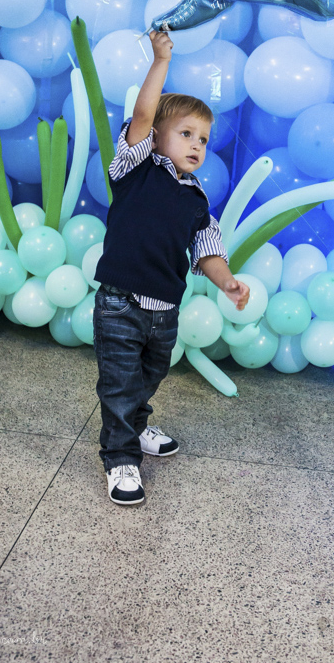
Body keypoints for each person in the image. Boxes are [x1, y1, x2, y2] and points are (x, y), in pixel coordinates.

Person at [93, 30, 249, 507]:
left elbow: (207, 249)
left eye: (203, 139)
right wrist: (161, 60)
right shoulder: (133, 169)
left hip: (164, 312)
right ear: (155, 138)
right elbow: (144, 114)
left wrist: (226, 282)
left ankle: (136, 426)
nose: (197, 145)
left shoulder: (196, 199)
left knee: (149, 376)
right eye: (186, 134)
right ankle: (120, 457)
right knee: (120, 384)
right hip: (120, 304)